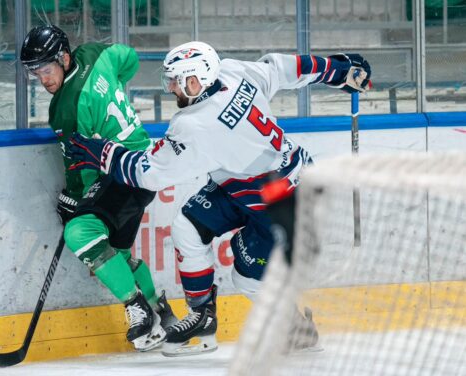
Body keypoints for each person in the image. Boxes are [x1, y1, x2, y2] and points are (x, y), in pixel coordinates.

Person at [66, 41, 372, 356]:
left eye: (176, 81)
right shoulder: (231, 72)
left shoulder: (195, 124)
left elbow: (149, 173)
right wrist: (339, 71)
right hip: (258, 183)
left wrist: (99, 152)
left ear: (197, 79)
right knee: (188, 225)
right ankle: (203, 316)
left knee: (245, 276)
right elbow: (284, 68)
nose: (172, 89)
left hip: (282, 203)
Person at [19, 25, 177, 352]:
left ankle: (138, 309)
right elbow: (129, 59)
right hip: (145, 163)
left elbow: (81, 165)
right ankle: (164, 317)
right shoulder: (96, 53)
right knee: (116, 255)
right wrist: (113, 85)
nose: (43, 79)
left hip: (119, 172)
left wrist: (77, 200)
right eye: (36, 73)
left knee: (79, 232)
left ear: (63, 58)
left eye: (46, 69)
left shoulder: (65, 108)